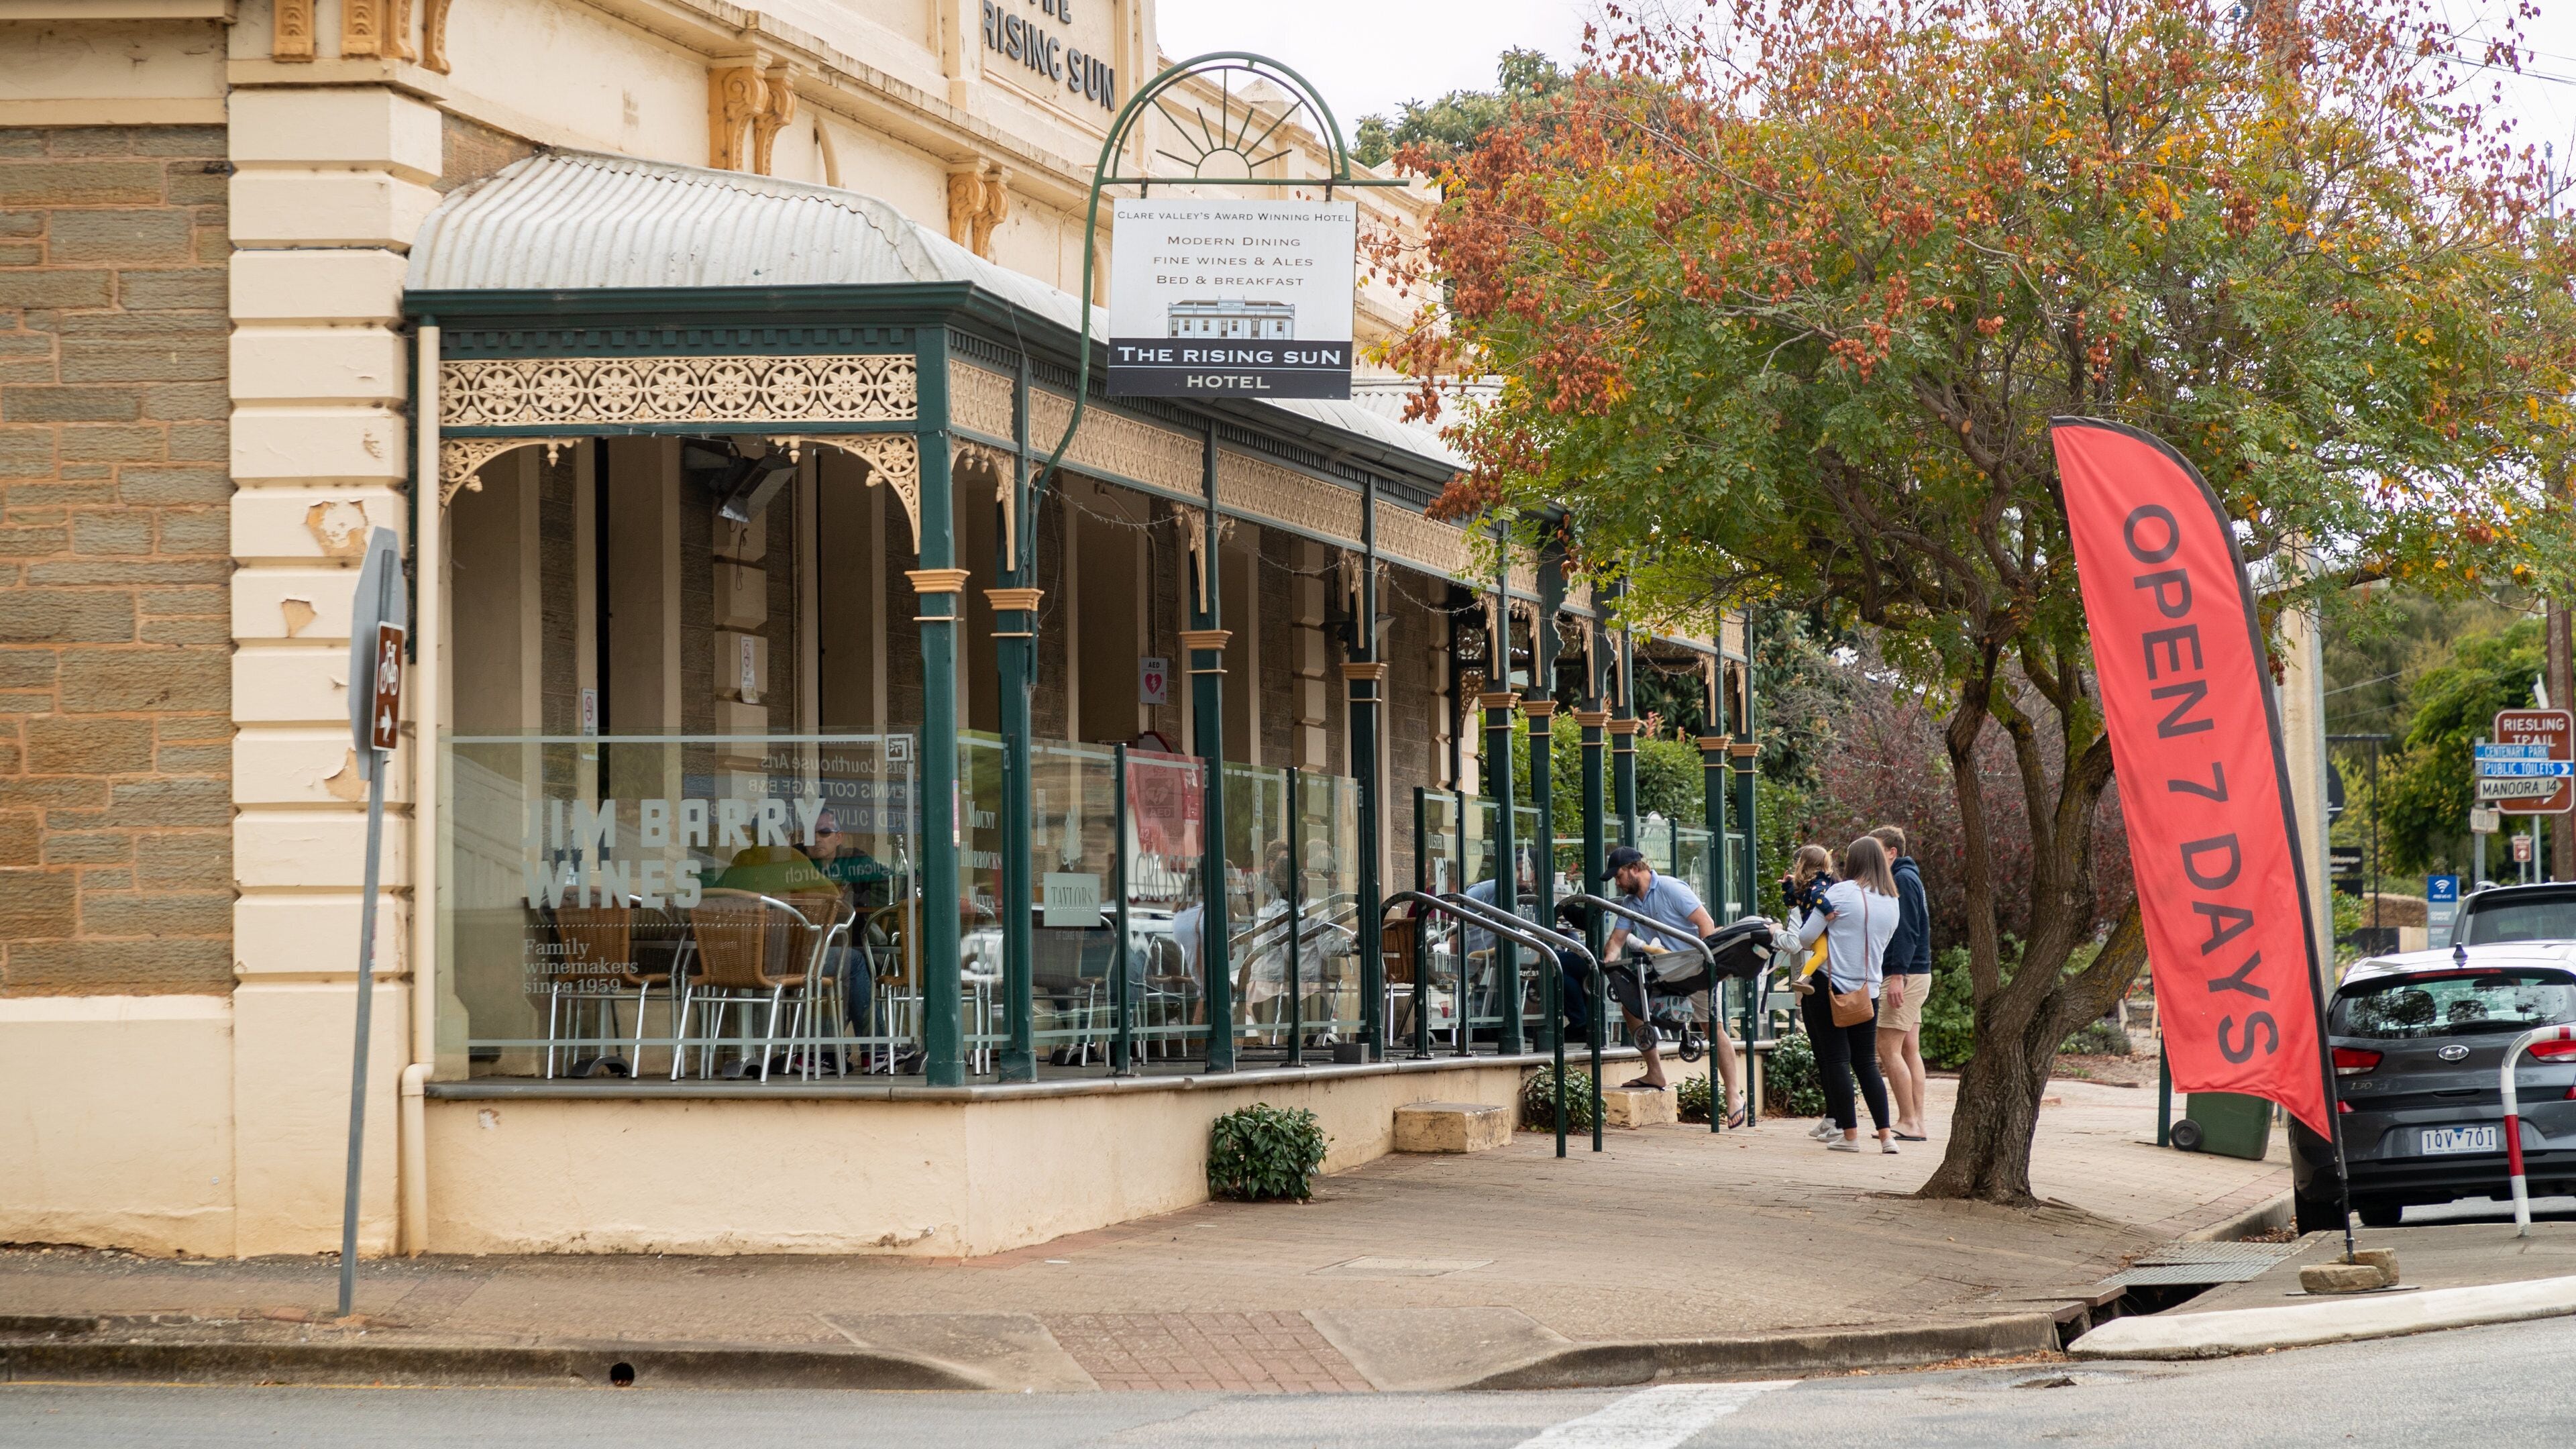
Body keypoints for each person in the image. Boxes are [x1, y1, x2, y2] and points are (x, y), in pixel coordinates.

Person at [1599, 845, 1746, 1126]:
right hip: (1666, 970)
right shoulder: (1631, 904)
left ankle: (1733, 1094)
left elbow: (1706, 923)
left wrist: (1705, 969)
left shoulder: (1670, 888)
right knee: (1631, 1004)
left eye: (1618, 876)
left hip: (1696, 966)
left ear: (1634, 869)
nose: (1617, 883)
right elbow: (1617, 941)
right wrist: (1608, 964)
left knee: (1711, 1028)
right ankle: (1655, 1073)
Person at [1796, 835, 1902, 1153]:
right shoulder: (1892, 900)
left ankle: (1851, 1136)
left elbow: (1805, 937)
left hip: (1831, 988)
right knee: (1867, 1063)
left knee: (1837, 1060)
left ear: (1853, 862)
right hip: (1868, 990)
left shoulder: (1839, 893)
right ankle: (1887, 1136)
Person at [1871, 824, 1934, 1141]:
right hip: (1915, 973)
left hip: (1905, 976)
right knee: (1910, 1048)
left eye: (1877, 850)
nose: (1872, 857)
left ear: (1892, 852)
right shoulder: (1910, 878)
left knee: (1888, 1048)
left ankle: (1909, 1121)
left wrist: (1897, 976)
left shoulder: (1903, 880)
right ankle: (1916, 1121)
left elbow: (1907, 931)